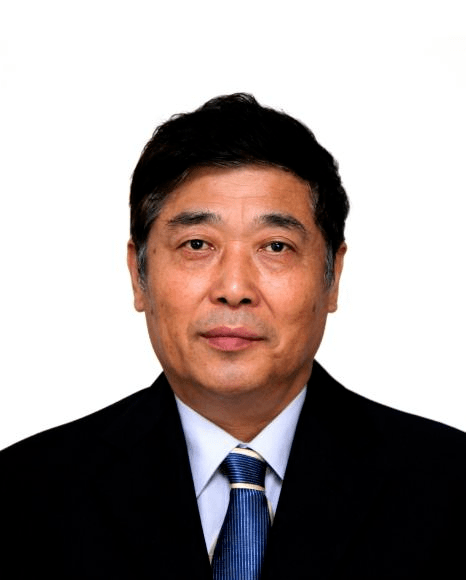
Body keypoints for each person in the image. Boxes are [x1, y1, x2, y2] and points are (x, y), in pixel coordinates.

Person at [1, 94, 465, 580]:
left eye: (276, 246)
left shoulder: (449, 485)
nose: (235, 289)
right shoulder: (24, 494)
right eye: (197, 244)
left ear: (333, 277)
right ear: (139, 276)